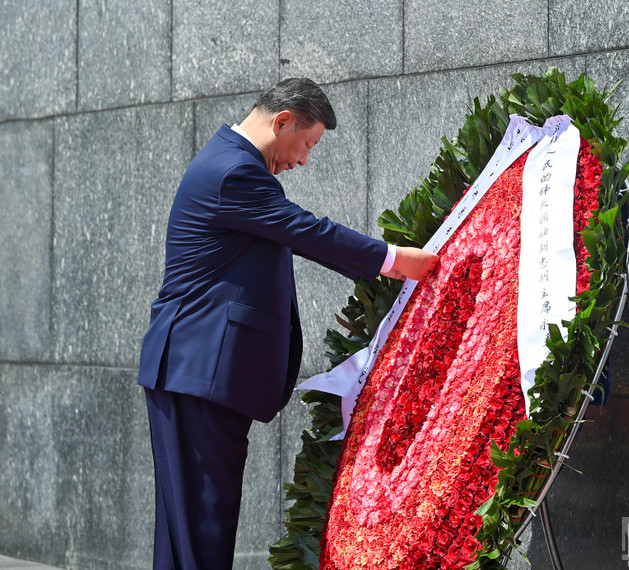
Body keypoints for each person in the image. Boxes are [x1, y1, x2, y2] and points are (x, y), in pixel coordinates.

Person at [137, 77, 438, 569]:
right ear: (282, 122)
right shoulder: (235, 171)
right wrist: (394, 259)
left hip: (192, 374)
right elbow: (305, 230)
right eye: (307, 143)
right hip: (199, 374)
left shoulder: (225, 162)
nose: (302, 159)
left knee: (186, 533)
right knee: (201, 531)